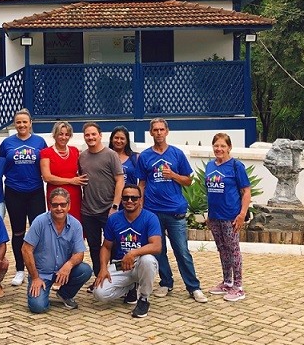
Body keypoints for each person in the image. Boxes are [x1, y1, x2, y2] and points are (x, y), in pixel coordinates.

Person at [138, 118, 207, 303]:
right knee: (158, 250)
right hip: (152, 211)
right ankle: (166, 282)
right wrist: (141, 207)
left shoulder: (177, 154)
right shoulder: (144, 156)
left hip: (175, 210)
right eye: (155, 130)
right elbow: (142, 184)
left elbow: (188, 180)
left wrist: (173, 175)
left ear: (167, 132)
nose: (159, 133)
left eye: (162, 129)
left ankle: (194, 287)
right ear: (151, 133)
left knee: (182, 250)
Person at [93, 185, 161, 318]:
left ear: (140, 200)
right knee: (99, 294)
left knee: (148, 260)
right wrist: (103, 268)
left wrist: (133, 253)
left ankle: (144, 298)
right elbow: (106, 246)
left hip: (140, 263)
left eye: (134, 197)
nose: (129, 200)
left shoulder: (150, 218)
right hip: (121, 265)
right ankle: (130, 287)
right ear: (122, 200)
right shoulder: (114, 219)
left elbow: (156, 246)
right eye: (125, 197)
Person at [22, 188, 92, 313]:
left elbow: (79, 253)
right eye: (55, 205)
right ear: (50, 206)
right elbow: (26, 249)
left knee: (85, 270)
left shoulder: (76, 225)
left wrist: (68, 265)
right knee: (38, 307)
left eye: (63, 204)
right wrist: (35, 277)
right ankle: (42, 294)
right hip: (41, 274)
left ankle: (64, 294)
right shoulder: (39, 222)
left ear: (69, 205)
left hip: (63, 273)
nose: (59, 208)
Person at [0, 108, 47, 287]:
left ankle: (40, 268)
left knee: (39, 231)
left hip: (35, 192)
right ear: (15, 124)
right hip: (14, 192)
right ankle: (20, 269)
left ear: (30, 123)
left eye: (25, 122)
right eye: (18, 122)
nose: (21, 125)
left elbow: (47, 162)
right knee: (18, 232)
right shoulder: (7, 143)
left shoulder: (39, 142)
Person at [78, 122, 124, 291]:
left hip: (108, 209)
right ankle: (99, 278)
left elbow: (120, 180)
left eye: (93, 134)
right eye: (87, 135)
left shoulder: (111, 155)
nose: (90, 138)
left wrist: (115, 206)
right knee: (94, 246)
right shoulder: (82, 157)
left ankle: (117, 280)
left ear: (100, 135)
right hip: (88, 210)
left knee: (114, 246)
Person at [205, 133, 250, 302]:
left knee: (233, 250)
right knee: (222, 249)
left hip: (231, 216)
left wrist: (242, 215)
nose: (219, 149)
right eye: (216, 146)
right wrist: (209, 215)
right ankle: (227, 281)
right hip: (215, 216)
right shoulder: (210, 166)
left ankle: (238, 287)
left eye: (223, 146)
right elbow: (209, 191)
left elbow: (246, 191)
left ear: (229, 147)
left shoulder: (236, 166)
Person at [40, 121, 87, 224]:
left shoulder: (74, 151)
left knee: (75, 223)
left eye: (67, 134)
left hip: (74, 195)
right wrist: (71, 181)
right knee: (57, 223)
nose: (64, 137)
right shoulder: (46, 153)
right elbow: (47, 177)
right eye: (61, 134)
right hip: (55, 194)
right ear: (55, 135)